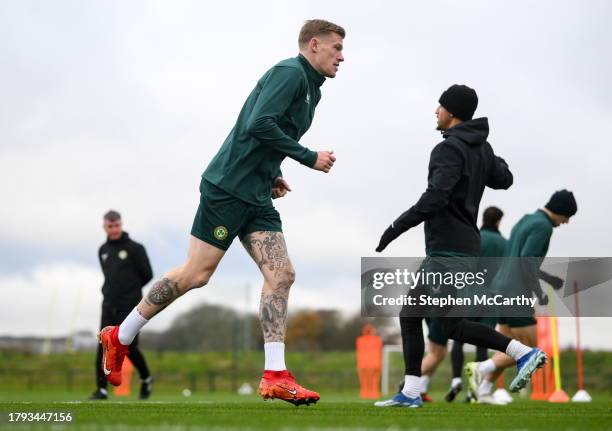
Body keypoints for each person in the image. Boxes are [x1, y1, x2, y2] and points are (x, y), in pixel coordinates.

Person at [98, 19, 345, 406]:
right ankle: (121, 336)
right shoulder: (289, 74)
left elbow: (266, 135)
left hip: (257, 195)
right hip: (228, 189)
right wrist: (307, 157)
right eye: (336, 49)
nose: (341, 57)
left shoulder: (312, 89)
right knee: (196, 274)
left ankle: (275, 374)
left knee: (282, 275)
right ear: (314, 45)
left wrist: (274, 172)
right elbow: (258, 123)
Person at [374, 84, 546, 408]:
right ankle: (521, 353)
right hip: (465, 249)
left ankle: (412, 392)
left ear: (451, 112)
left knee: (411, 315)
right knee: (448, 323)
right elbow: (504, 179)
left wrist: (395, 227)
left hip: (447, 251)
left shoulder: (448, 149)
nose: (435, 112)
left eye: (439, 106)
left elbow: (435, 197)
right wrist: (490, 151)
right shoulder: (479, 148)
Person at [465, 191, 575, 403]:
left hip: (500, 288)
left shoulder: (525, 221)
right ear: (560, 210)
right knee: (531, 350)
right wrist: (539, 291)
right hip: (516, 292)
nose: (567, 222)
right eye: (567, 216)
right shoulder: (543, 227)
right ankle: (480, 368)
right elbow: (526, 261)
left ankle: (485, 390)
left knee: (509, 345)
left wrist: (548, 279)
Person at [90, 210, 154, 400]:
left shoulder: (136, 248)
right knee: (103, 346)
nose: (114, 229)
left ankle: (146, 378)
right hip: (108, 305)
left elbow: (147, 274)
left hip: (130, 307)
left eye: (117, 225)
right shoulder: (103, 250)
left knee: (129, 347)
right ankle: (101, 389)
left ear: (121, 224)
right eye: (110, 226)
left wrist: (130, 292)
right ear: (105, 227)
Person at [446, 206, 506, 403]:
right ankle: (476, 390)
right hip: (491, 296)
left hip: (466, 294)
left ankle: (456, 380)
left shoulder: (472, 237)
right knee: (483, 341)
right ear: (498, 221)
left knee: (458, 338)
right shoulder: (505, 244)